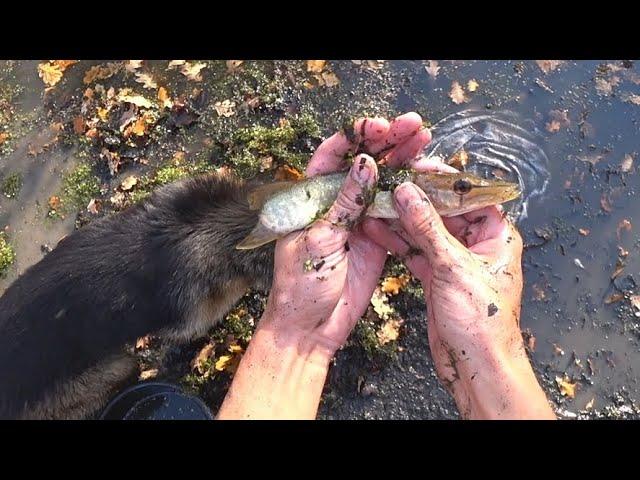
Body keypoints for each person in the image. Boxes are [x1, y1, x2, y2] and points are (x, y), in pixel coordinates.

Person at [216, 112, 556, 420]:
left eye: (462, 188)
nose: (467, 192)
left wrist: (297, 334)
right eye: (462, 189)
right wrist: (489, 355)